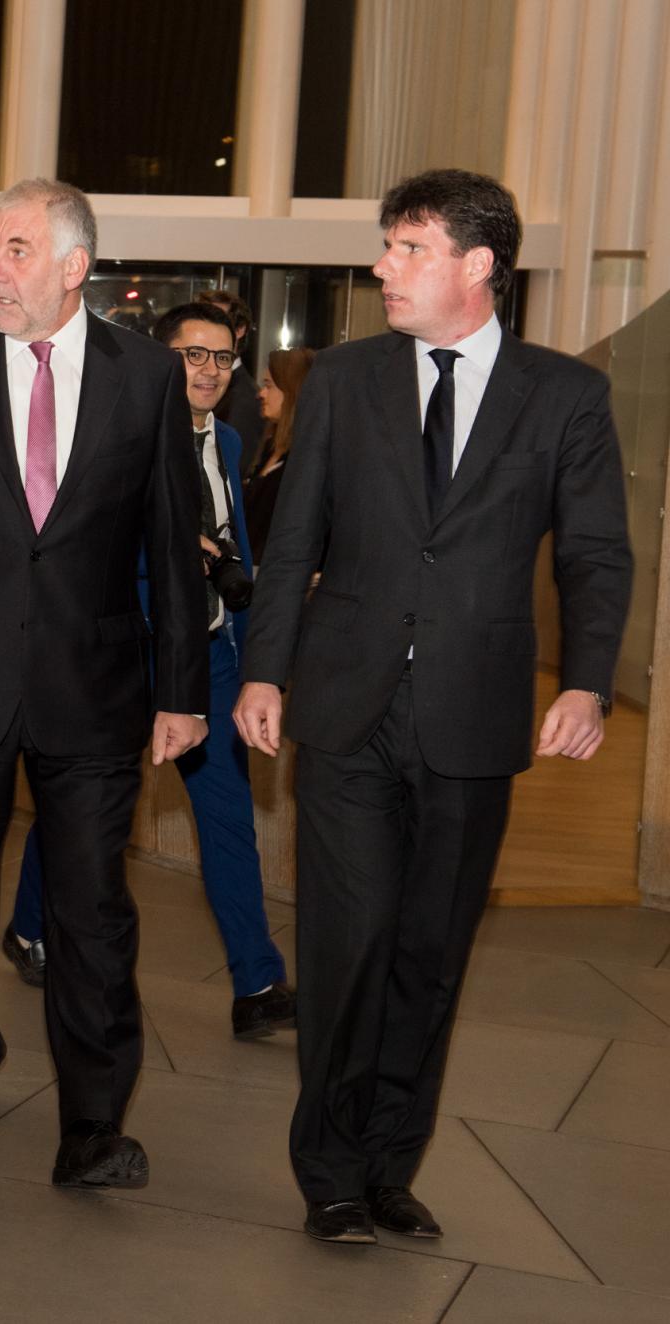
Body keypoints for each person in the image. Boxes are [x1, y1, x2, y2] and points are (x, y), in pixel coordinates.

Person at [233, 169, 631, 1245]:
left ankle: (388, 1165)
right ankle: (326, 1168)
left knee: (429, 951)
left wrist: (589, 678)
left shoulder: (562, 398)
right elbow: (293, 544)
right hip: (346, 707)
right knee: (347, 940)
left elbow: (595, 553)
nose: (381, 269)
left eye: (407, 248)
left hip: (472, 716)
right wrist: (262, 669)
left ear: (476, 265)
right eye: (386, 247)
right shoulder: (344, 380)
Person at [0, 179, 208, 1189]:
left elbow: (170, 551)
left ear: (72, 266)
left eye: (14, 249)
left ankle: (92, 1125)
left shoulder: (147, 378)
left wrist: (179, 689)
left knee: (93, 909)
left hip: (95, 689)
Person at [3, 302, 294, 1040]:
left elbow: (242, 554)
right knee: (85, 806)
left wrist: (256, 653)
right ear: (160, 361)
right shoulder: (111, 435)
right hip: (124, 655)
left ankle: (258, 982)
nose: (209, 371)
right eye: (193, 355)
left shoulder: (228, 442)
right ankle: (30, 926)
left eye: (222, 359)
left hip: (209, 657)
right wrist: (168, 547)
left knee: (228, 821)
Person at [243, 347, 314, 567]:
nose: (261, 393)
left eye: (269, 385)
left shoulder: (306, 460)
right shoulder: (270, 448)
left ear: (293, 391)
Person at [197, 287, 266, 476]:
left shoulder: (246, 398)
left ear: (240, 330)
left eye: (219, 321)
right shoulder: (191, 383)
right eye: (203, 321)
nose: (208, 330)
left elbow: (235, 471)